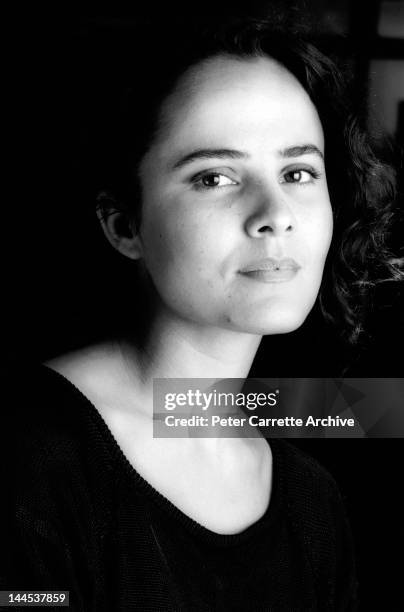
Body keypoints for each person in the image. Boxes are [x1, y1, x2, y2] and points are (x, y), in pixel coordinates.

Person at [5, 15, 401, 611]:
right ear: (123, 225)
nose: (276, 213)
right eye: (215, 176)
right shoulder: (28, 457)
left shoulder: (315, 499)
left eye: (298, 172)